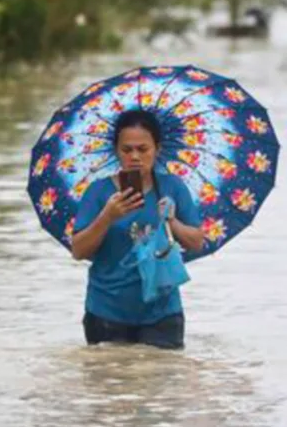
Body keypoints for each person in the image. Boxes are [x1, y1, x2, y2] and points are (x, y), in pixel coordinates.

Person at [71, 109, 204, 350]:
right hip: (106, 310)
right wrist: (107, 217)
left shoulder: (172, 187)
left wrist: (172, 221)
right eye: (127, 150)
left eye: (143, 149)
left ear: (157, 149)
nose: (135, 157)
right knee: (108, 373)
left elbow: (196, 242)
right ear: (116, 151)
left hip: (163, 311)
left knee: (164, 373)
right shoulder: (98, 192)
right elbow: (79, 251)